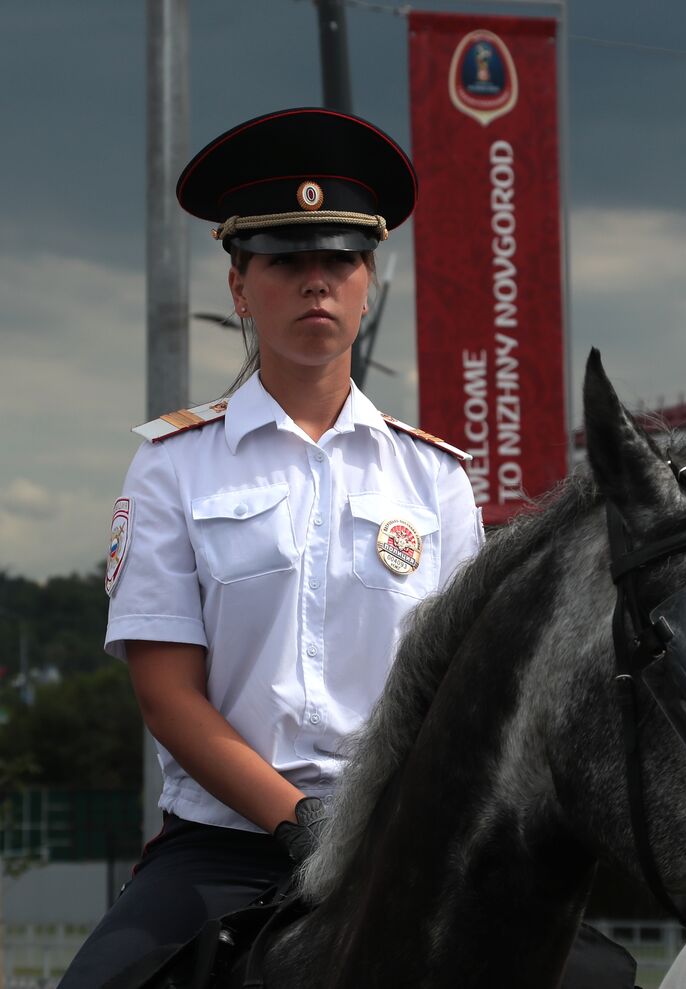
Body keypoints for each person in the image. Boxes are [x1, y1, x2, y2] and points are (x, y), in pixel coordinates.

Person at [62, 107, 486, 987]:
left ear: (369, 283)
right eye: (286, 261)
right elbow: (167, 695)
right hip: (227, 849)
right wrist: (303, 824)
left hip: (402, 840)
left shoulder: (435, 480)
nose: (315, 282)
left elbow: (468, 691)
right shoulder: (174, 465)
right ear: (239, 286)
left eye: (339, 259)